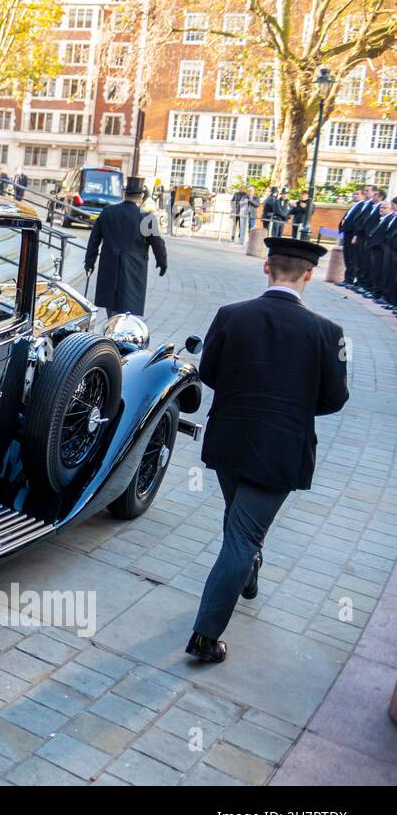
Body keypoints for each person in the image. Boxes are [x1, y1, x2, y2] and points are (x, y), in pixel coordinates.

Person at [187, 235, 349, 663]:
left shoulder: (230, 315)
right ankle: (205, 636)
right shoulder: (328, 332)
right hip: (280, 448)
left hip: (230, 439)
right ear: (309, 276)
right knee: (242, 536)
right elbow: (335, 399)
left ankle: (248, 571)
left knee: (238, 521)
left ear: (267, 268)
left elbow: (210, 372)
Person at [83, 175, 167, 317]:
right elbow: (158, 244)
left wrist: (89, 262)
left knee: (111, 306)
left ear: (124, 194)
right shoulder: (146, 218)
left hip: (109, 267)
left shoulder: (108, 212)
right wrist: (162, 262)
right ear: (140, 196)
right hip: (134, 270)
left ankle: (111, 327)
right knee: (128, 308)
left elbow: (94, 240)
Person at [339, 184, 377, 287]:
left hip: (354, 234)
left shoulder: (367, 205)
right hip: (347, 233)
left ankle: (350, 279)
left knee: (352, 258)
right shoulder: (357, 205)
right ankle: (347, 279)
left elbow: (361, 221)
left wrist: (355, 235)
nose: (355, 195)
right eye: (363, 190)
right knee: (347, 256)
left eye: (366, 191)